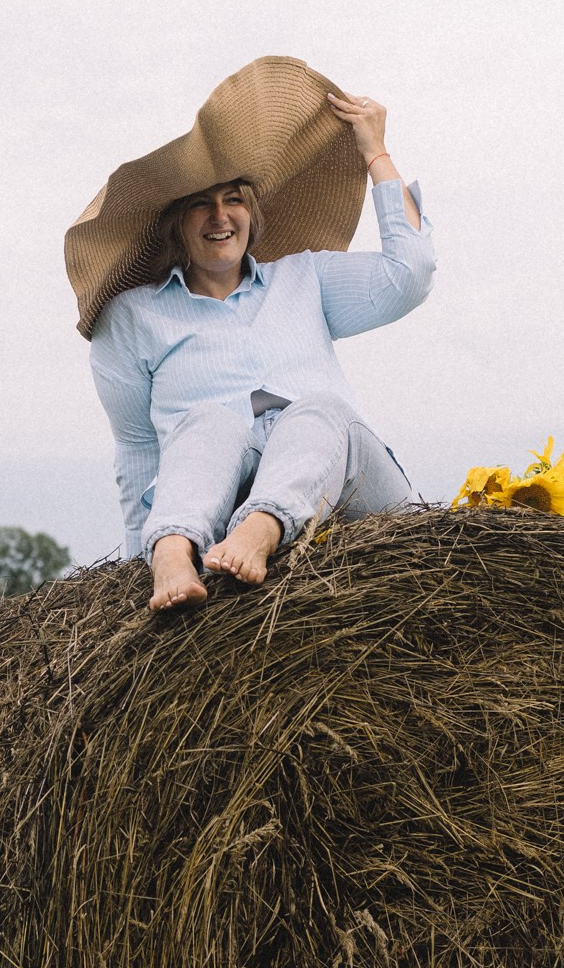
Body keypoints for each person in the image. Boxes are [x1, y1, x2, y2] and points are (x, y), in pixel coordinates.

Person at [67, 57, 434, 611]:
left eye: (233, 199)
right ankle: (172, 551)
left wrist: (375, 152)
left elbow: (410, 274)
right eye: (201, 203)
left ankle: (261, 528)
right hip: (215, 493)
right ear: (175, 223)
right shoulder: (132, 317)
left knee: (318, 408)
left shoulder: (306, 278)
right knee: (208, 421)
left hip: (348, 490)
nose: (220, 216)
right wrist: (133, 567)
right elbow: (138, 448)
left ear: (251, 212)